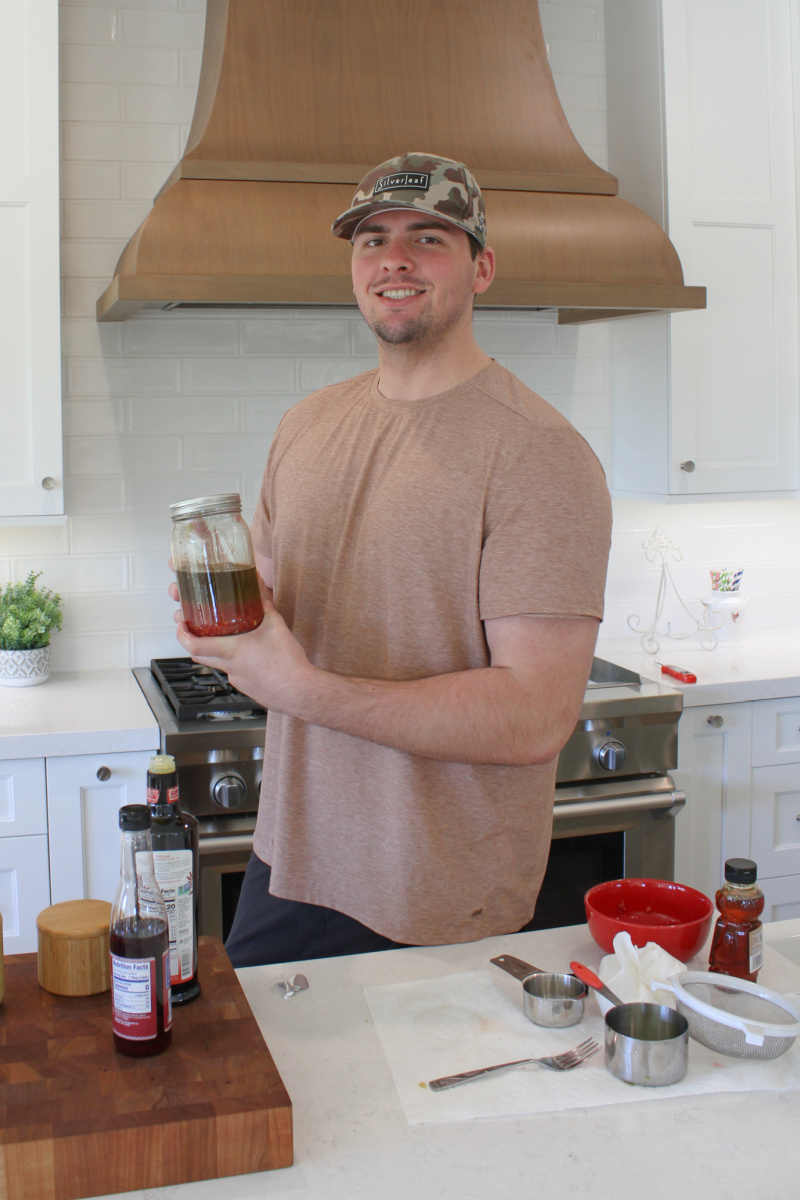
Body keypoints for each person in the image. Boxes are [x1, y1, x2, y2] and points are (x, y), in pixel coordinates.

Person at [172, 153, 613, 967]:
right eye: (371, 239)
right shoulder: (307, 424)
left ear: (482, 268)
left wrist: (303, 690)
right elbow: (272, 603)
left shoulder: (539, 454)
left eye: (427, 238)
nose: (393, 259)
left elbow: (534, 717)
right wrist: (234, 623)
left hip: (437, 891)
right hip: (292, 855)